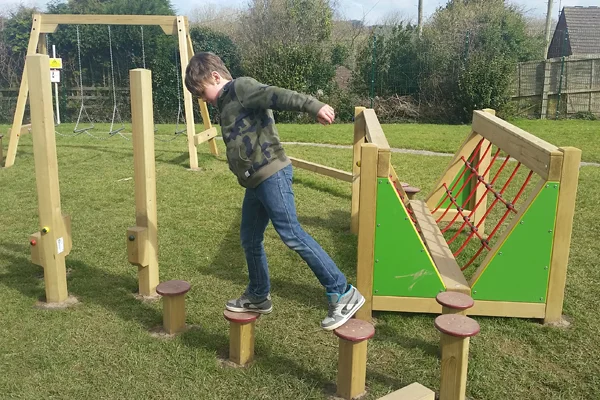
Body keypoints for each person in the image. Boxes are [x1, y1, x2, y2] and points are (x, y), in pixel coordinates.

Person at [185, 52, 364, 331]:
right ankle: (258, 295)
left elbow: (276, 94)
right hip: (255, 182)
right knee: (249, 238)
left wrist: (312, 105)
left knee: (292, 233)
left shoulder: (240, 88)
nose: (204, 100)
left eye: (202, 92)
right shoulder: (227, 101)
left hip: (271, 173)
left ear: (216, 77)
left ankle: (343, 292)